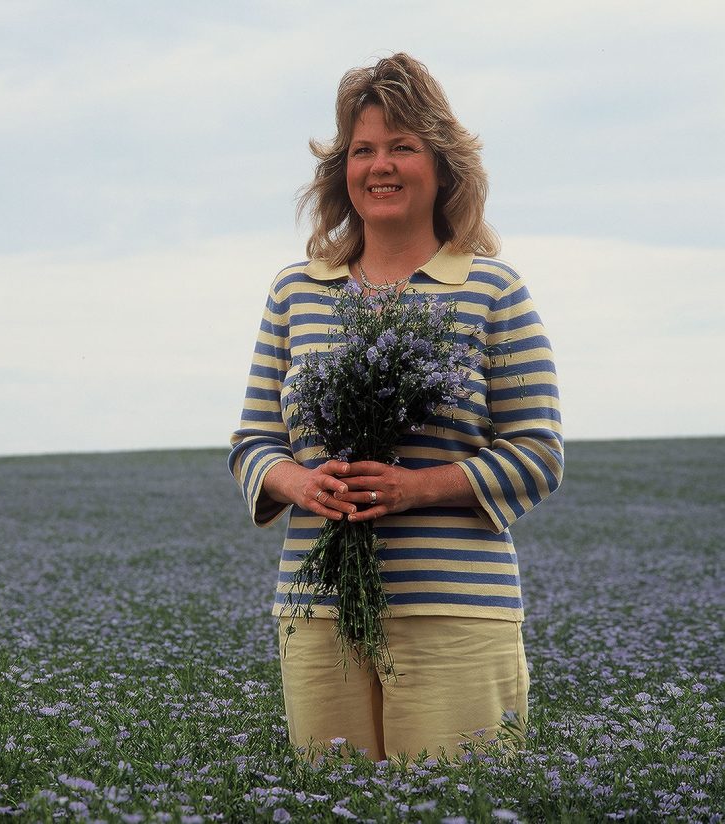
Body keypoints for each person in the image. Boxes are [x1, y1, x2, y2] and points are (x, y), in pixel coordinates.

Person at [229, 53, 563, 762]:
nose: (381, 166)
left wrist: (413, 490)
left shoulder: (492, 290)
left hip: (455, 611)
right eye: (363, 151)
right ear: (341, 173)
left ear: (441, 167)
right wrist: (300, 483)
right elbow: (253, 442)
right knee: (330, 803)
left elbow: (538, 452)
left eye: (402, 148)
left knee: (457, 801)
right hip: (317, 610)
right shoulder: (296, 291)